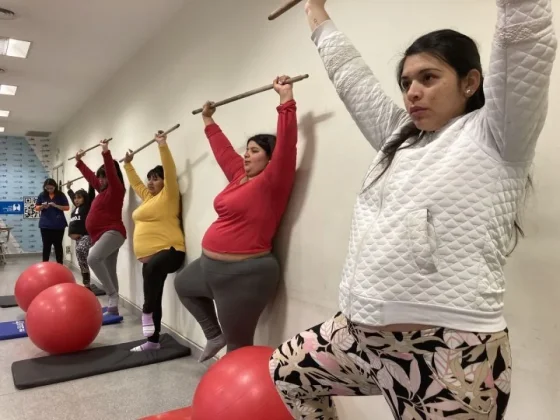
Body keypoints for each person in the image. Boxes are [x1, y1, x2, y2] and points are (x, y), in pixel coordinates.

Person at [269, 1, 557, 419]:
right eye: (406, 83)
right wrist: (315, 9)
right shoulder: (398, 138)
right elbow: (352, 78)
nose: (412, 92)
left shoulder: (498, 134)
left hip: (448, 355)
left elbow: (527, 40)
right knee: (288, 371)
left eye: (428, 77)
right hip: (362, 337)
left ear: (470, 82)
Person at [174, 75, 298, 362]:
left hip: (243, 275)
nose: (246, 155)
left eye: (254, 151)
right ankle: (213, 334)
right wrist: (208, 120)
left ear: (270, 158)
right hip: (209, 266)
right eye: (247, 149)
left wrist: (285, 100)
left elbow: (288, 143)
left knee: (238, 346)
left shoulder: (272, 182)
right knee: (183, 285)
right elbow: (223, 152)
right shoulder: (240, 176)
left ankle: (233, 401)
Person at [122, 130, 186, 352]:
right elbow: (135, 182)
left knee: (150, 287)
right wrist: (128, 164)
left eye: (155, 178)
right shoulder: (148, 198)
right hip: (151, 259)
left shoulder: (169, 195)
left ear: (164, 182)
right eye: (150, 178)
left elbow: (169, 169)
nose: (150, 182)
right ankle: (153, 341)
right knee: (154, 293)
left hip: (170, 252)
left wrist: (162, 145)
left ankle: (146, 311)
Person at [75, 139, 127, 316]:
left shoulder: (116, 189)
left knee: (93, 258)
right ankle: (114, 308)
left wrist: (105, 152)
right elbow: (91, 177)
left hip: (113, 232)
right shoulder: (102, 189)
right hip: (102, 235)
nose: (101, 180)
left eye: (104, 176)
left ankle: (112, 295)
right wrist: (79, 162)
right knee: (110, 270)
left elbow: (112, 173)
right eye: (100, 176)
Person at [66, 182, 96, 290]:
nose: (76, 200)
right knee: (82, 263)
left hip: (86, 236)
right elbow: (72, 196)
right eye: (75, 198)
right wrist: (69, 189)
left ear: (85, 199)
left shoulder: (87, 206)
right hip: (77, 239)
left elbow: (91, 194)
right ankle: (87, 285)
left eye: (79, 198)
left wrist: (90, 182)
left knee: (80, 250)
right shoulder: (75, 208)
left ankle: (94, 259)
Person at [35, 178, 70, 264]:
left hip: (58, 225)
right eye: (47, 188)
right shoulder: (42, 195)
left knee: (58, 246)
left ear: (55, 187)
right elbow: (36, 208)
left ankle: (60, 265)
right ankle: (45, 265)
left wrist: (56, 205)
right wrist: (42, 207)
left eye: (51, 188)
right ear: (44, 187)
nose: (49, 190)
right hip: (45, 225)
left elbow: (67, 207)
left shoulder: (61, 195)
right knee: (46, 246)